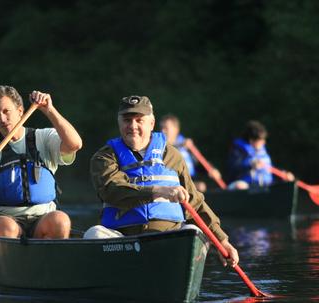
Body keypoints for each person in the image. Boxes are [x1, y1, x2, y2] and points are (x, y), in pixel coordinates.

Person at [85, 95, 238, 267]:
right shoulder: (105, 157)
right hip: (124, 240)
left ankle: (176, 283)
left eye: (139, 120)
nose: (133, 126)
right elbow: (111, 190)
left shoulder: (173, 155)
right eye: (127, 120)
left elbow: (194, 202)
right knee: (94, 234)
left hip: (168, 238)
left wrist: (221, 240)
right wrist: (157, 191)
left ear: (151, 123)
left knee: (193, 233)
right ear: (119, 122)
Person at [0, 85, 82, 239]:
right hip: (4, 219)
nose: (2, 119)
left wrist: (49, 110)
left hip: (43, 218)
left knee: (60, 220)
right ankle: (7, 260)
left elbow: (75, 144)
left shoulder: (43, 138)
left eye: (6, 112)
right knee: (5, 228)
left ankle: (49, 259)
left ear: (20, 111)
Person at [160, 114, 222, 192]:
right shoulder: (160, 146)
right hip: (173, 182)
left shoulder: (186, 146)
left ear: (176, 129)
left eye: (166, 128)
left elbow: (199, 164)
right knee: (200, 187)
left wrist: (211, 169)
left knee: (211, 183)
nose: (162, 131)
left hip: (191, 180)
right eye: (161, 128)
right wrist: (179, 145)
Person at [227, 120, 294, 190]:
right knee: (240, 186)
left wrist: (283, 175)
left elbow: (271, 169)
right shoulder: (238, 150)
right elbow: (232, 168)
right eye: (261, 140)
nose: (264, 143)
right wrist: (250, 165)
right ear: (251, 140)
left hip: (265, 186)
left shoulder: (263, 152)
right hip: (246, 186)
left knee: (286, 183)